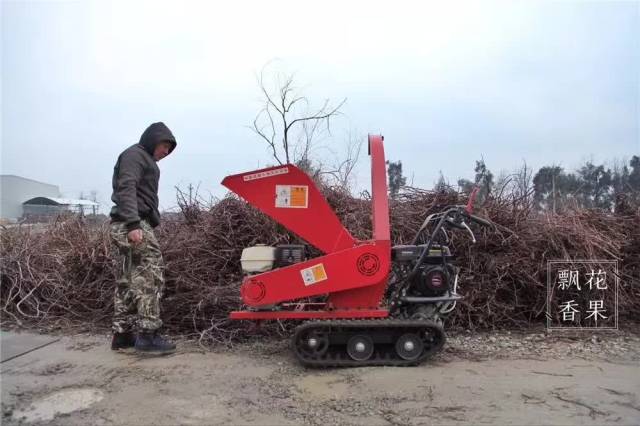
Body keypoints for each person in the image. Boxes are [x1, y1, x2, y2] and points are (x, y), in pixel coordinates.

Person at [109, 122, 177, 354]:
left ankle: (122, 334)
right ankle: (148, 336)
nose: (166, 152)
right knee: (151, 275)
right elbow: (126, 186)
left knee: (128, 279)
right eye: (164, 145)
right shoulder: (135, 155)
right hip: (132, 222)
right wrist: (134, 223)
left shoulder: (142, 158)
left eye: (169, 149)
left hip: (128, 222)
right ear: (152, 139)